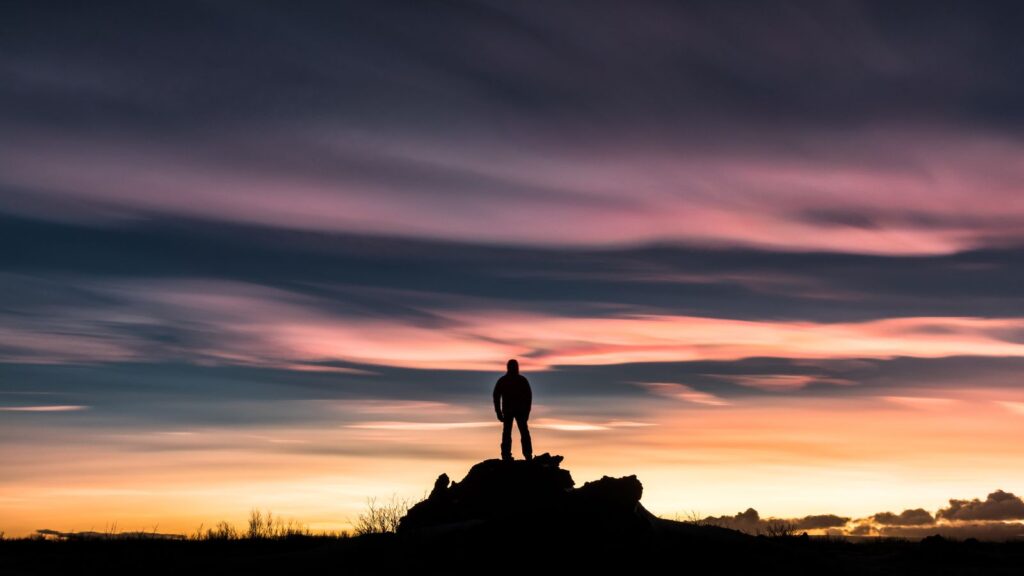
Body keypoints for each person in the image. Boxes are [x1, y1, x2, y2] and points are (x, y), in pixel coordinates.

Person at [493, 358, 532, 461]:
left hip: (518, 411)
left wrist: (527, 411)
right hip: (511, 411)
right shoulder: (507, 380)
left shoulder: (518, 380)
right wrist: (498, 412)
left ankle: (526, 454)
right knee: (509, 433)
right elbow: (496, 396)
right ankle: (508, 455)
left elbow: (528, 396)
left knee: (521, 432)